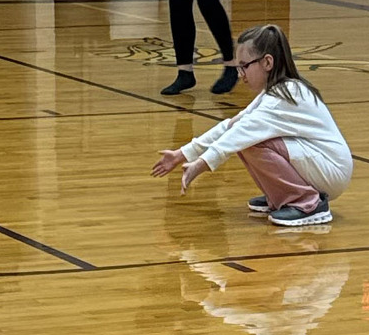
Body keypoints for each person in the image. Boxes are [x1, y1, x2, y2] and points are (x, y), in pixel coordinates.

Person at [151, 24, 353, 227]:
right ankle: (281, 195)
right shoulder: (274, 92)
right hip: (323, 166)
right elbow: (230, 126)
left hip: (332, 170)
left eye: (244, 66)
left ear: (267, 62)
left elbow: (240, 134)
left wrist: (200, 165)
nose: (240, 74)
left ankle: (306, 203)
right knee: (245, 136)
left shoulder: (283, 97)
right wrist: (182, 154)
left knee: (249, 141)